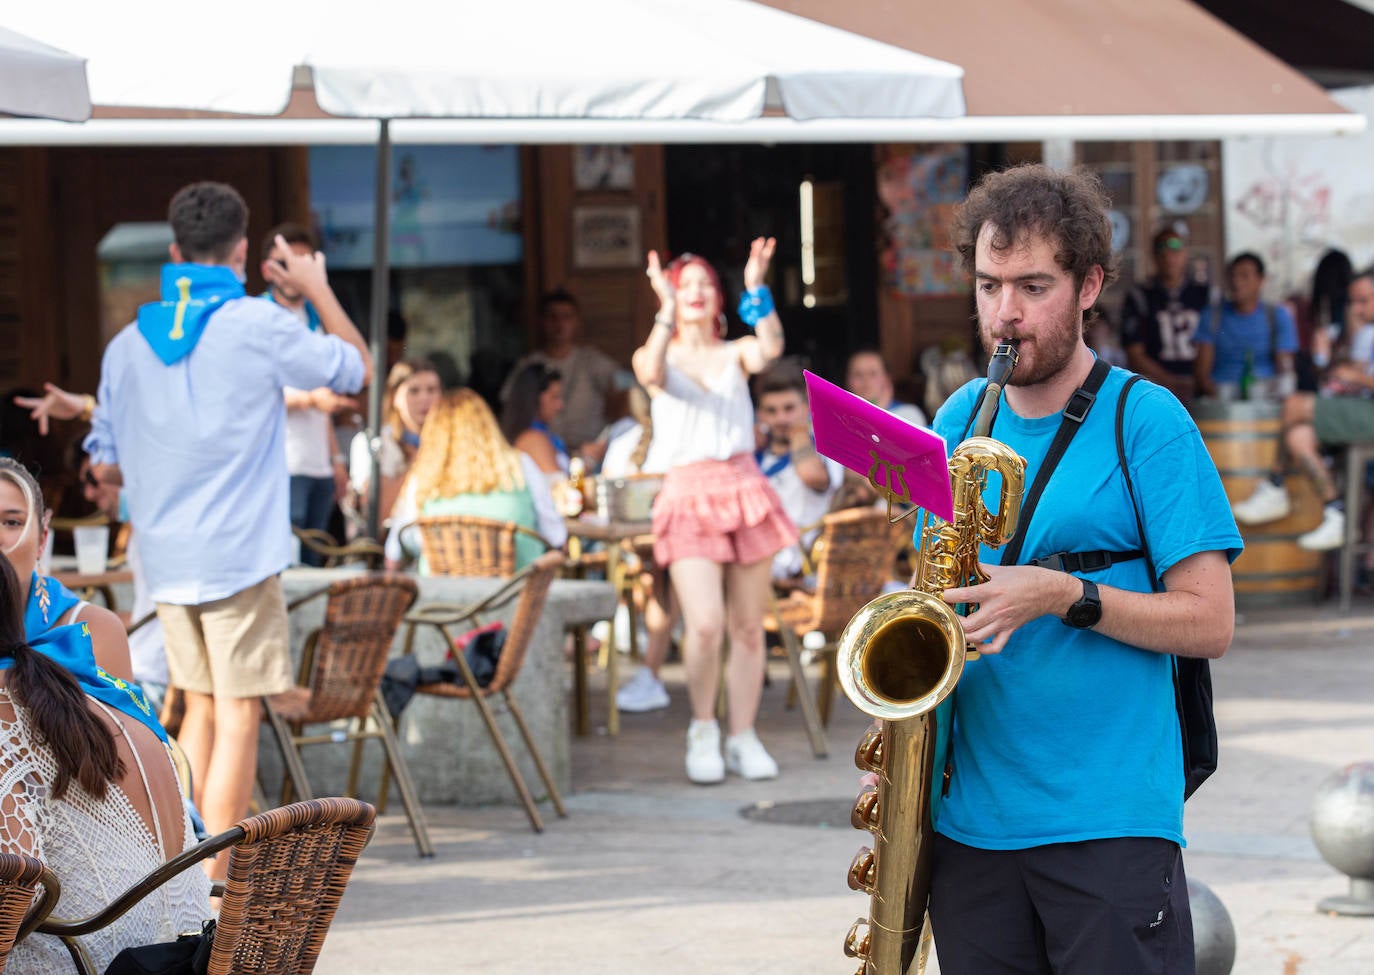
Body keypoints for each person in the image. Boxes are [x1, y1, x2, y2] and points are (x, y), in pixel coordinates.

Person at [922, 163, 1240, 974]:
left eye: (1034, 285)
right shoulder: (958, 418)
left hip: (1108, 822)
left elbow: (1211, 620)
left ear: (1089, 283)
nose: (1006, 313)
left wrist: (1066, 594)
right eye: (990, 285)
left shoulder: (1149, 419)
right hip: (971, 826)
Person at [83, 181, 371, 881]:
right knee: (239, 712)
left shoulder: (126, 346)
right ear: (243, 252)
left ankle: (176, 868)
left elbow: (104, 464)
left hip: (168, 559)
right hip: (240, 555)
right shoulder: (256, 323)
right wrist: (315, 286)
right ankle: (212, 886)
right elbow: (355, 367)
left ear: (176, 251)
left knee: (202, 708)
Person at [635, 240, 796, 785]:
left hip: (743, 483)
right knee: (704, 625)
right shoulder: (661, 350)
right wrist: (663, 307)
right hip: (687, 491)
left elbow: (770, 347)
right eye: (687, 285)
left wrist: (757, 287)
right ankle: (703, 727)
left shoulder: (735, 352)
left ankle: (742, 734)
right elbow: (650, 370)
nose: (697, 293)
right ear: (671, 296)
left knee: (749, 627)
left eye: (705, 283)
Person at [1230, 269, 1374, 552]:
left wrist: (1356, 379)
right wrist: (1331, 363)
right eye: (1352, 302)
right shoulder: (1367, 333)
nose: (1355, 308)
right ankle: (1336, 511)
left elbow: (1358, 377)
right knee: (1298, 436)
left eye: (1363, 301)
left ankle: (1274, 484)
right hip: (1362, 408)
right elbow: (1348, 373)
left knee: (1294, 405)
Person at [385, 388, 567, 572]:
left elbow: (394, 553)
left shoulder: (423, 476)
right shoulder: (521, 466)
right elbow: (556, 537)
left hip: (442, 598)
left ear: (434, 430)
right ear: (488, 425)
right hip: (518, 596)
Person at [262, 222, 359, 565]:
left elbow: (338, 384)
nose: (297, 273)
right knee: (287, 564)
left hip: (317, 459)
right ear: (267, 269)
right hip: (280, 462)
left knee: (313, 562)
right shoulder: (258, 316)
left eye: (305, 263)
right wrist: (312, 400)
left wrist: (335, 461)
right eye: (288, 263)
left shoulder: (316, 315)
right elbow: (254, 390)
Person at [501, 288, 632, 459]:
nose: (559, 325)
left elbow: (628, 386)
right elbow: (508, 406)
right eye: (552, 317)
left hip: (590, 453)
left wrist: (616, 425)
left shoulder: (591, 360)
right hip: (546, 452)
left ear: (577, 321)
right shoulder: (529, 365)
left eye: (566, 317)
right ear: (542, 321)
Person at [753, 363, 843, 581]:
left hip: (800, 564)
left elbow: (811, 476)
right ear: (760, 415)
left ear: (806, 407)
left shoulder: (825, 448)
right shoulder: (755, 453)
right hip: (756, 556)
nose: (781, 418)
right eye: (771, 411)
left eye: (789, 408)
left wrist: (798, 432)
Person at [348, 357, 442, 534]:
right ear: (394, 397)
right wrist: (414, 461)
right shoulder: (371, 442)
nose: (425, 398)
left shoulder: (449, 442)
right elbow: (376, 515)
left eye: (432, 390)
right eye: (413, 391)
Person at [1120, 227, 1211, 401]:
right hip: (1155, 388)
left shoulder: (1205, 294)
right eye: (1162, 250)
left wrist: (1201, 379)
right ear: (1153, 256)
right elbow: (1134, 354)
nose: (1169, 257)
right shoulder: (1140, 296)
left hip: (1201, 385)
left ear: (1185, 253)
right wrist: (1171, 382)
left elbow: (1214, 343)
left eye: (1175, 249)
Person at [1193, 252, 1298, 400]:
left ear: (1261, 280)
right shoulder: (1212, 316)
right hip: (1220, 399)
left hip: (1265, 400)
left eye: (1244, 276)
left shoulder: (1277, 316)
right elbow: (1202, 374)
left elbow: (1285, 369)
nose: (1237, 282)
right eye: (1233, 276)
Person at [501, 361, 569, 477]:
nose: (560, 405)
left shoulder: (538, 432)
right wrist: (588, 460)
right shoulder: (533, 438)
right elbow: (560, 488)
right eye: (554, 397)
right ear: (534, 398)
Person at [845, 348, 928, 427]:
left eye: (872, 373)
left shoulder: (909, 414)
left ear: (887, 379)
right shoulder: (840, 417)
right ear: (848, 380)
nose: (866, 380)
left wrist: (879, 410)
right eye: (858, 374)